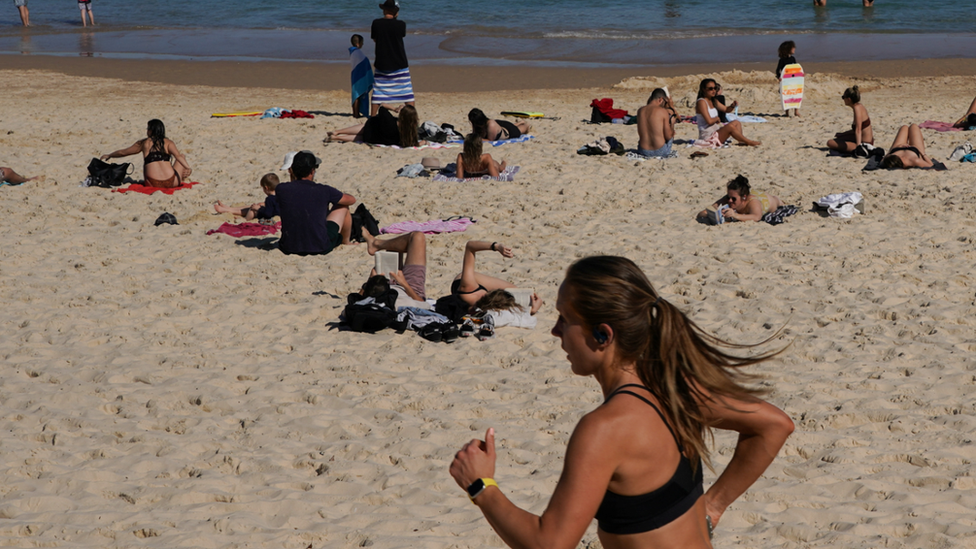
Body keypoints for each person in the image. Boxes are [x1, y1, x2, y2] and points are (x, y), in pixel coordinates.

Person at [450, 256, 794, 549]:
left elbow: (550, 543)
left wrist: (481, 485)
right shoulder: (672, 388)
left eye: (564, 320)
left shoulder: (605, 429)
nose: (555, 331)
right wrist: (713, 507)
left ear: (603, 335)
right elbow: (774, 424)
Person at [275, 151, 357, 255]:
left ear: (292, 170)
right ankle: (346, 241)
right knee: (343, 206)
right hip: (320, 246)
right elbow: (351, 200)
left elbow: (298, 197)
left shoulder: (281, 189)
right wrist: (336, 195)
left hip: (289, 247)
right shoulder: (324, 190)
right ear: (312, 171)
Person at [450, 240, 541, 315]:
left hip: (468, 281)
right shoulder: (490, 310)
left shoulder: (468, 288)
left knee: (515, 290)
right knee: (515, 292)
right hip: (475, 298)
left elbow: (470, 246)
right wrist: (532, 311)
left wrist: (496, 247)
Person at [100, 119, 192, 188]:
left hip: (152, 183)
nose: (146, 131)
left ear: (151, 130)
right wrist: (188, 168)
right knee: (182, 156)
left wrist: (110, 155)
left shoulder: (144, 143)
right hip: (171, 182)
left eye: (148, 129)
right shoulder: (168, 142)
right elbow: (178, 157)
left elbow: (124, 152)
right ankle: (183, 178)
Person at [361, 229, 429, 309]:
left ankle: (375, 243)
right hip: (409, 289)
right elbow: (422, 303)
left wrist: (370, 280)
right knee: (417, 237)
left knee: (394, 249)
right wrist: (403, 283)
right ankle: (377, 244)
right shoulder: (400, 303)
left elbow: (355, 301)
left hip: (380, 285)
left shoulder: (362, 307)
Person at [370, 0, 414, 117]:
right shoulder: (401, 24)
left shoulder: (376, 23)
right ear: (396, 12)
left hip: (382, 62)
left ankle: (372, 118)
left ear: (384, 10)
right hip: (399, 62)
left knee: (378, 92)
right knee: (407, 93)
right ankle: (412, 118)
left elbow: (375, 39)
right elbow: (400, 36)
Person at [696, 79, 760, 146]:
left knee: (736, 122)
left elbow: (726, 109)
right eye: (710, 89)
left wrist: (732, 106)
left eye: (715, 88)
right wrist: (717, 118)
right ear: (703, 89)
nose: (714, 91)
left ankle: (741, 141)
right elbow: (709, 121)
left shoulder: (713, 100)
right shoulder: (701, 102)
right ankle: (748, 142)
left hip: (716, 131)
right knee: (729, 127)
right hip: (708, 136)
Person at [697, 175, 784, 223]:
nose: (730, 201)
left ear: (744, 197)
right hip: (747, 193)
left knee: (776, 201)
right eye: (728, 197)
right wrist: (714, 215)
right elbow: (704, 212)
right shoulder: (728, 198)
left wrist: (735, 215)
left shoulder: (752, 202)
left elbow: (757, 217)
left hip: (766, 199)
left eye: (734, 199)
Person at [325, 104, 421, 147]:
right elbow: (415, 143)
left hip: (371, 130)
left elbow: (382, 106)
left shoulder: (390, 121)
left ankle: (338, 132)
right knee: (362, 137)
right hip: (375, 139)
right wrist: (424, 142)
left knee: (365, 126)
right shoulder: (409, 132)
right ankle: (336, 138)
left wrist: (395, 108)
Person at [213, 173, 280, 222]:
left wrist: (259, 209)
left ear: (266, 188)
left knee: (252, 208)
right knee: (257, 205)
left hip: (272, 215)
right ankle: (229, 209)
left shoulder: (269, 199)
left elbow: (268, 213)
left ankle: (245, 219)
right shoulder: (280, 195)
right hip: (277, 213)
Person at [827, 86, 872, 153]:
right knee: (839, 138)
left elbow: (858, 130)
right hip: (864, 138)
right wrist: (844, 134)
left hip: (865, 143)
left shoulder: (857, 109)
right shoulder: (859, 106)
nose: (843, 99)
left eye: (843, 97)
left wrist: (858, 147)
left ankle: (859, 147)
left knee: (830, 142)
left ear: (848, 99)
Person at [636, 88, 677, 158]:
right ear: (661, 99)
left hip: (643, 150)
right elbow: (668, 136)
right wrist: (672, 124)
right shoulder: (662, 111)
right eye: (665, 102)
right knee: (671, 133)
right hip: (660, 151)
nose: (664, 104)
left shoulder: (640, 110)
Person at [349, 34, 373, 119]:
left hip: (355, 74)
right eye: (362, 42)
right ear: (358, 44)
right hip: (359, 76)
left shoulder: (353, 52)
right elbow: (363, 61)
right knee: (357, 95)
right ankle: (356, 114)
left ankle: (356, 113)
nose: (363, 44)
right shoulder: (357, 52)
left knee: (357, 94)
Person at [775, 41, 800, 118]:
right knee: (787, 96)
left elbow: (796, 69)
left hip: (793, 80)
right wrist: (779, 77)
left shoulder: (793, 59)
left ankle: (796, 111)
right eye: (793, 47)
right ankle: (787, 113)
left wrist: (800, 74)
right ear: (788, 49)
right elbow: (777, 70)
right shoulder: (782, 60)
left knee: (796, 95)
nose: (794, 48)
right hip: (786, 81)